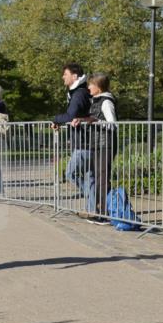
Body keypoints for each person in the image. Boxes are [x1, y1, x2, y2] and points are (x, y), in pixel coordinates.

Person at [72, 73, 118, 224]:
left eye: (90, 85)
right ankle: (99, 211)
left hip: (106, 144)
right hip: (97, 145)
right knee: (98, 178)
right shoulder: (96, 101)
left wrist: (96, 121)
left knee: (102, 179)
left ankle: (104, 215)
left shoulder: (106, 102)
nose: (88, 87)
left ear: (98, 87)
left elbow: (113, 124)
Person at [51, 63, 95, 212]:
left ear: (74, 76)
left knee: (71, 173)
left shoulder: (79, 94)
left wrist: (55, 119)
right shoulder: (79, 92)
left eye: (65, 74)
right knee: (90, 178)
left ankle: (97, 199)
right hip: (87, 141)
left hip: (84, 142)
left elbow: (71, 115)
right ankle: (93, 210)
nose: (63, 77)